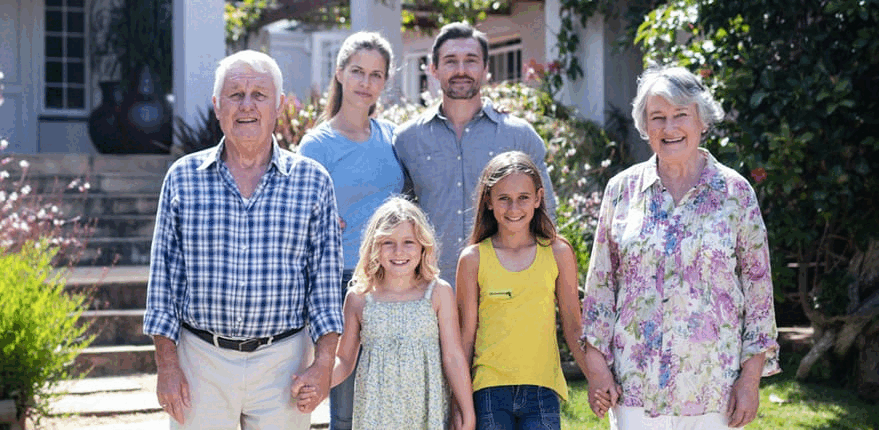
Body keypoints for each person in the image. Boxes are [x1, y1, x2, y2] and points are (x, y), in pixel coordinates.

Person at [143, 50, 343, 429]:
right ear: (218, 106)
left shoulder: (313, 182)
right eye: (235, 94)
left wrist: (322, 364)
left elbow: (325, 286)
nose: (247, 105)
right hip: (200, 360)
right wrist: (166, 367)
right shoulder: (183, 178)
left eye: (259, 95)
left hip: (283, 362)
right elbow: (163, 284)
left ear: (279, 105)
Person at [579, 65, 780, 429]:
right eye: (658, 117)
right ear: (645, 127)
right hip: (635, 385)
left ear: (702, 120)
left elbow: (758, 292)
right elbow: (600, 289)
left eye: (680, 115)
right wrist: (597, 369)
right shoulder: (620, 191)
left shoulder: (735, 193)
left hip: (713, 387)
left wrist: (749, 381)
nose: (669, 128)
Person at [394, 22, 556, 288]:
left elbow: (548, 217)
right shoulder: (407, 140)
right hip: (429, 290)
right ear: (433, 69)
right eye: (450, 61)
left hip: (506, 290)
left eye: (471, 61)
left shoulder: (518, 136)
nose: (461, 70)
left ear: (485, 69)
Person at [297, 31, 404, 430]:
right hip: (342, 282)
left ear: (385, 82)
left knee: (391, 397)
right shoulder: (317, 144)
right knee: (346, 403)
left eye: (376, 75)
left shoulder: (392, 137)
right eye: (357, 71)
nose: (366, 82)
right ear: (339, 73)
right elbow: (301, 217)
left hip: (393, 281)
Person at [296, 197, 476, 429]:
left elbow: (453, 356)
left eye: (408, 242)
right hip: (375, 414)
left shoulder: (438, 293)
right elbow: (344, 360)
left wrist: (467, 411)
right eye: (387, 243)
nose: (398, 251)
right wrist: (316, 384)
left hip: (425, 412)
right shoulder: (359, 297)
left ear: (423, 245)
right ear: (374, 247)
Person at [456, 151, 588, 429]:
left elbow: (574, 326)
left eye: (523, 198)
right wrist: (458, 402)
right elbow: (466, 336)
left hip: (542, 389)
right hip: (489, 389)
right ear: (488, 202)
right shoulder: (473, 258)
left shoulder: (558, 252)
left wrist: (596, 378)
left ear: (538, 198)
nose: (513, 207)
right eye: (504, 198)